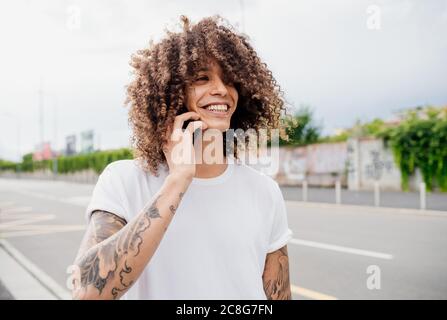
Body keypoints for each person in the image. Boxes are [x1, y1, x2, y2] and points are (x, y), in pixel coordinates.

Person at [71, 15, 293, 300]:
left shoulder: (264, 191)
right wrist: (178, 180)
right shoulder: (124, 180)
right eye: (202, 78)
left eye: (230, 80)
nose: (221, 90)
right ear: (170, 92)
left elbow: (278, 296)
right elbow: (87, 292)